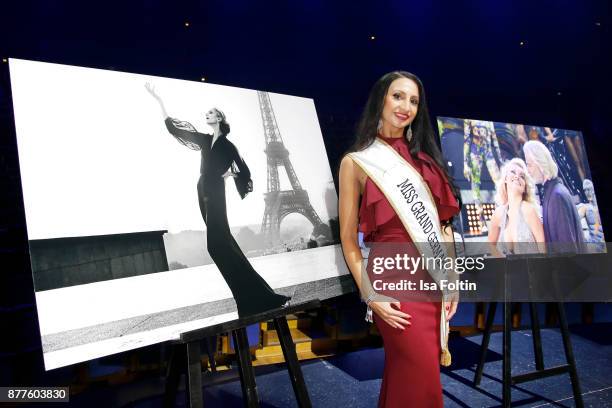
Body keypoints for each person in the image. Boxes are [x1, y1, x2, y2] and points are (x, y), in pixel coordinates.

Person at [339, 71, 460, 407]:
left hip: (432, 280)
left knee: (406, 376)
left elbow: (443, 227)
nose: (406, 106)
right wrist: (370, 294)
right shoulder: (357, 163)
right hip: (392, 281)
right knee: (421, 377)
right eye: (398, 96)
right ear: (381, 98)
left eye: (414, 100)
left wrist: (453, 280)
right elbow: (349, 240)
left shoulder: (427, 163)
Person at [145, 83, 289, 317]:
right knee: (222, 245)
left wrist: (227, 175)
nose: (207, 115)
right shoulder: (203, 139)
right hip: (202, 187)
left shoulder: (229, 146)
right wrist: (158, 100)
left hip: (215, 189)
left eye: (211, 112)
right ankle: (253, 299)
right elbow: (175, 130)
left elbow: (243, 171)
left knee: (217, 245)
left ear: (220, 117)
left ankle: (257, 298)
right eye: (207, 113)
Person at [523, 140, 585, 254]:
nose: (528, 170)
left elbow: (568, 250)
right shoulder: (552, 193)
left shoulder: (557, 196)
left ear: (540, 163)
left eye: (529, 164)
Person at [488, 158, 544, 254]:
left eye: (522, 176)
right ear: (505, 178)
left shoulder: (528, 210)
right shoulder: (498, 214)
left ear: (525, 187)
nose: (517, 176)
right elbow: (490, 245)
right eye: (513, 172)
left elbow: (543, 250)